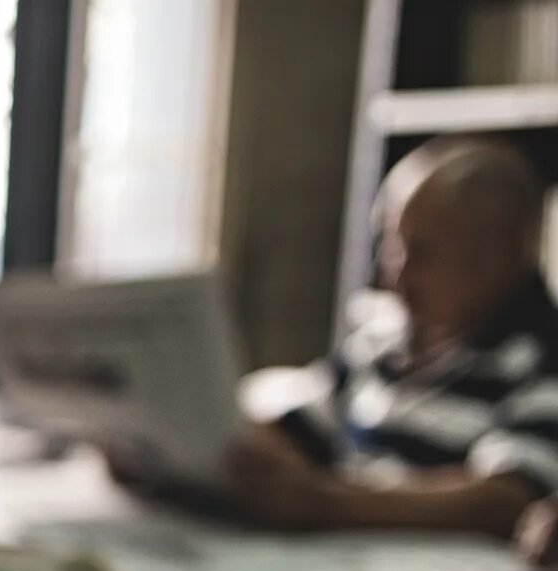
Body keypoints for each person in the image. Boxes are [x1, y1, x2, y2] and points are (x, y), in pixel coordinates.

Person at [227, 136, 558, 539]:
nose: (395, 273)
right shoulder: (385, 338)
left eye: (422, 252)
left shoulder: (541, 360)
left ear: (501, 252)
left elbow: (505, 498)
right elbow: (296, 429)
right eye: (390, 244)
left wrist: (327, 502)